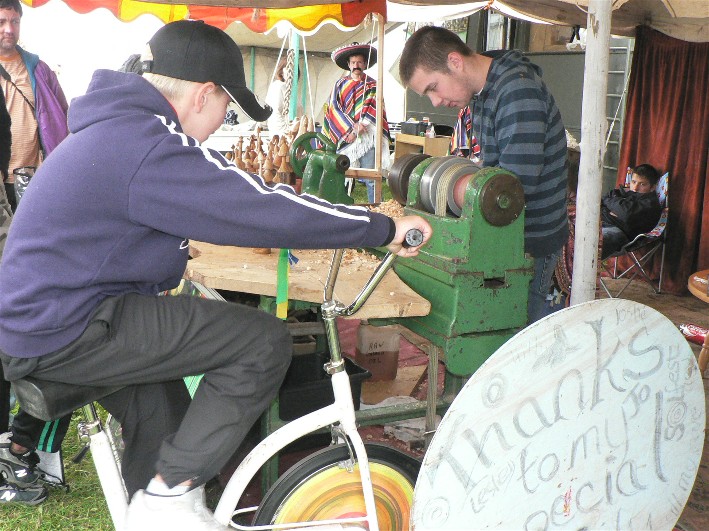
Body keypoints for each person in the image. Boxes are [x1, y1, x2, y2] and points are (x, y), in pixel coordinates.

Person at [0, 19, 431, 530]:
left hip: (39, 322)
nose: (225, 118)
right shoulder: (146, 142)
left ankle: (157, 507)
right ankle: (167, 501)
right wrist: (381, 227)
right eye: (228, 105)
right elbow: (260, 206)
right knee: (263, 342)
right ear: (204, 94)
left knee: (165, 417)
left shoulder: (121, 127)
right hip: (64, 326)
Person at [399, 26, 568, 324]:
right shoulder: (482, 94)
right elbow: (492, 170)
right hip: (508, 237)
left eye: (433, 87)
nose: (435, 102)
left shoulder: (517, 91)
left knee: (515, 340)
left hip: (529, 245)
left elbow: (508, 193)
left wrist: (446, 186)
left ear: (454, 61)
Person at [0, 0, 68, 213]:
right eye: (1, 21)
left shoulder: (40, 70)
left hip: (33, 178)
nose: (9, 29)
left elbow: (63, 116)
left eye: (15, 21)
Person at [322, 42, 390, 203]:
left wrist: (360, 128)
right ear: (348, 64)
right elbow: (334, 108)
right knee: (343, 176)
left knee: (372, 175)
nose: (356, 66)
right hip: (345, 136)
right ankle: (341, 207)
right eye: (353, 63)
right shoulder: (340, 84)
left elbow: (375, 108)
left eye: (359, 62)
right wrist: (350, 129)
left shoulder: (373, 85)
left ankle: (376, 208)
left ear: (365, 64)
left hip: (366, 137)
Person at [600, 163, 662, 259]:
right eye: (633, 182)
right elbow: (600, 202)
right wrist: (612, 210)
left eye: (642, 184)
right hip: (600, 222)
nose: (635, 187)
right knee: (571, 235)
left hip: (618, 232)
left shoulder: (650, 203)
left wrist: (611, 206)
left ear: (653, 187)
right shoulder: (622, 193)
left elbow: (626, 214)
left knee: (591, 246)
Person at [264, 57, 289, 136]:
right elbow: (275, 110)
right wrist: (285, 130)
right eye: (287, 68)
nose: (292, 71)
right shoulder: (279, 86)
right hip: (281, 133)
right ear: (281, 71)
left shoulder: (290, 89)